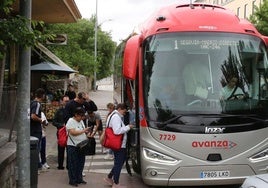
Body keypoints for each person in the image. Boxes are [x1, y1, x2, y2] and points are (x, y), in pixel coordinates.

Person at [103, 103, 134, 188]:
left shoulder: (113, 115)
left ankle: (109, 177)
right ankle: (116, 183)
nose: (125, 113)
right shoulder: (116, 117)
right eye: (124, 111)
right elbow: (117, 131)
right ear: (120, 109)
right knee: (119, 163)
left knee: (119, 162)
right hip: (119, 144)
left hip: (118, 144)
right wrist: (128, 127)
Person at [66, 107, 91, 187]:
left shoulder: (81, 121)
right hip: (73, 146)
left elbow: (82, 130)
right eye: (80, 116)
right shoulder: (70, 121)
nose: (81, 118)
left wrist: (87, 133)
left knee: (81, 162)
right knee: (73, 163)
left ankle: (79, 178)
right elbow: (73, 132)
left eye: (83, 116)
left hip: (82, 145)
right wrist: (84, 131)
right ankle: (73, 180)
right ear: (76, 115)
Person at [30, 88, 46, 172]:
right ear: (42, 95)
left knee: (33, 148)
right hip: (36, 129)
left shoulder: (31, 103)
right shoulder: (37, 104)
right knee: (36, 148)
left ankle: (37, 165)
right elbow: (33, 116)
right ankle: (37, 166)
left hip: (31, 129)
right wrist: (41, 120)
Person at [52, 95, 70, 170]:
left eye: (68, 101)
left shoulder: (71, 111)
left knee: (69, 149)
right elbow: (54, 122)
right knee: (61, 149)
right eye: (65, 101)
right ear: (62, 102)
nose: (67, 103)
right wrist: (61, 125)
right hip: (61, 132)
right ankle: (60, 165)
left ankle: (69, 165)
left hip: (69, 132)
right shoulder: (59, 111)